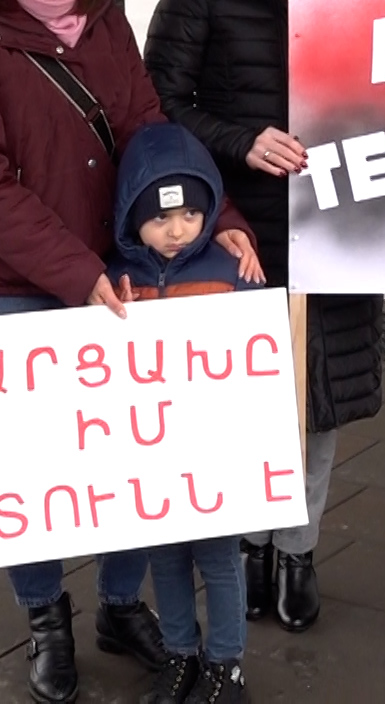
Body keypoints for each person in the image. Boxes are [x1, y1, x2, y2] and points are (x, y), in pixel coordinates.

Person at [0, 0, 262, 704]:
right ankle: (46, 621)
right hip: (11, 284)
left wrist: (223, 220)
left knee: (131, 459)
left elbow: (151, 126)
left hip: (119, 270)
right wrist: (73, 272)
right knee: (30, 473)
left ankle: (115, 605)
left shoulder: (102, 14)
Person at [143, 0, 384, 635]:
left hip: (341, 226)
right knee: (245, 401)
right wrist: (240, 139)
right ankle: (247, 545)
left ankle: (299, 550)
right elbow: (161, 102)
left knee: (317, 405)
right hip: (243, 232)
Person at [106, 122, 257, 704]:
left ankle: (226, 665)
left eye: (191, 215)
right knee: (165, 561)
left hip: (213, 455)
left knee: (219, 560)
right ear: (130, 216)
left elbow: (260, 361)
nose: (176, 231)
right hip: (151, 457)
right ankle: (181, 655)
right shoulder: (116, 280)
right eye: (160, 217)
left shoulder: (231, 274)